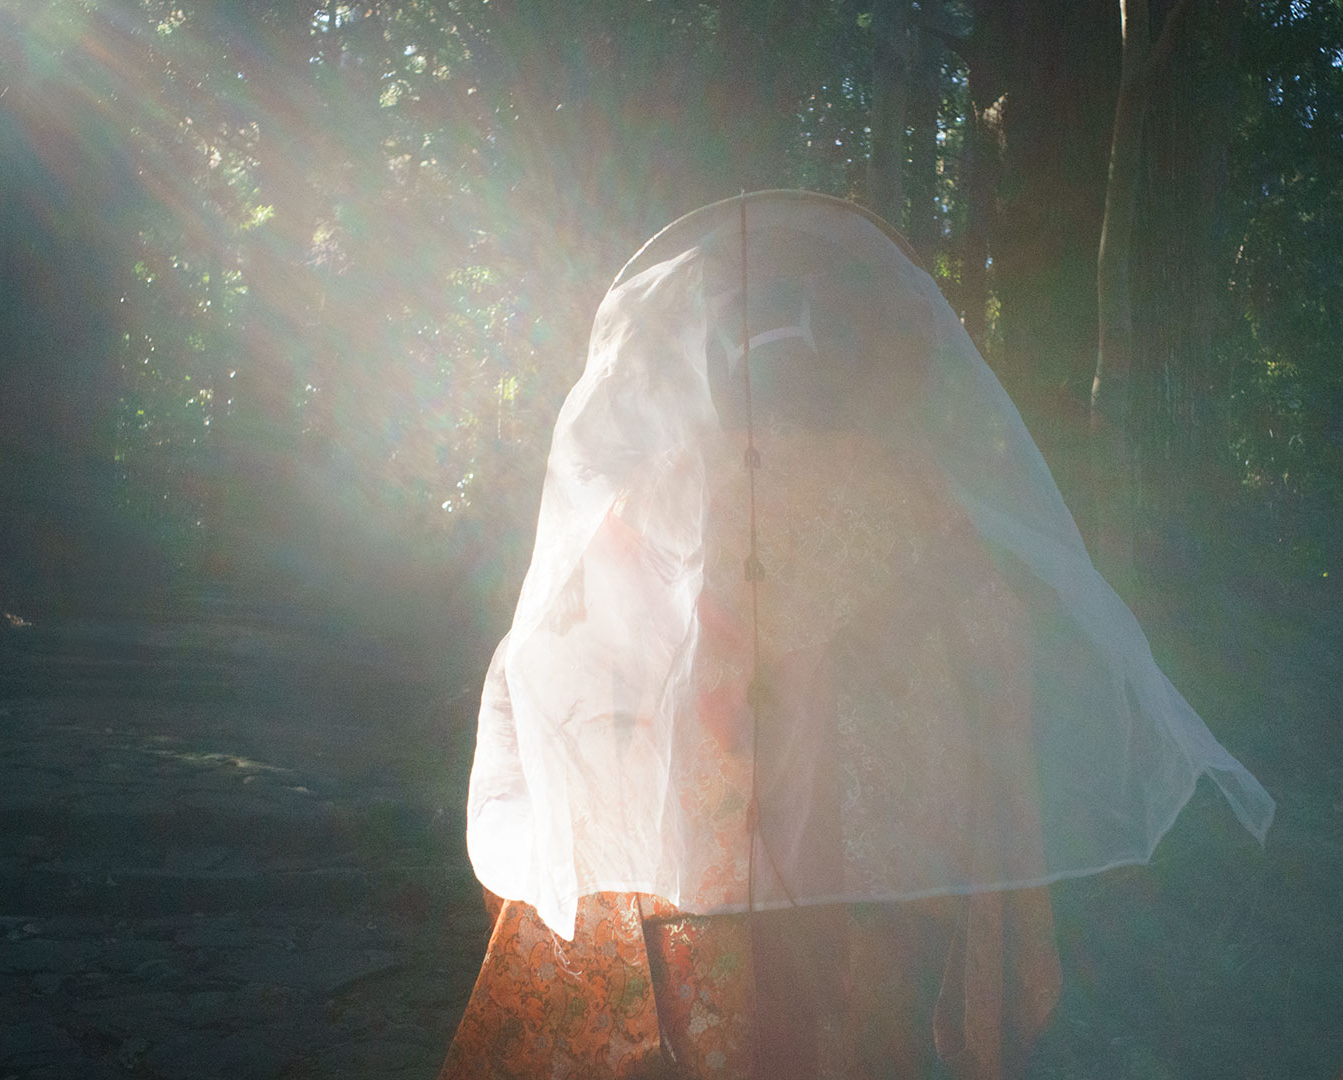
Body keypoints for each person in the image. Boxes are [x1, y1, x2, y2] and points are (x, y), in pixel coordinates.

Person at [439, 191, 1275, 1080]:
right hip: (885, 842)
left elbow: (585, 632)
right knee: (857, 1028)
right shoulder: (903, 481)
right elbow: (991, 629)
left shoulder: (672, 480)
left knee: (720, 1020)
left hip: (710, 831)